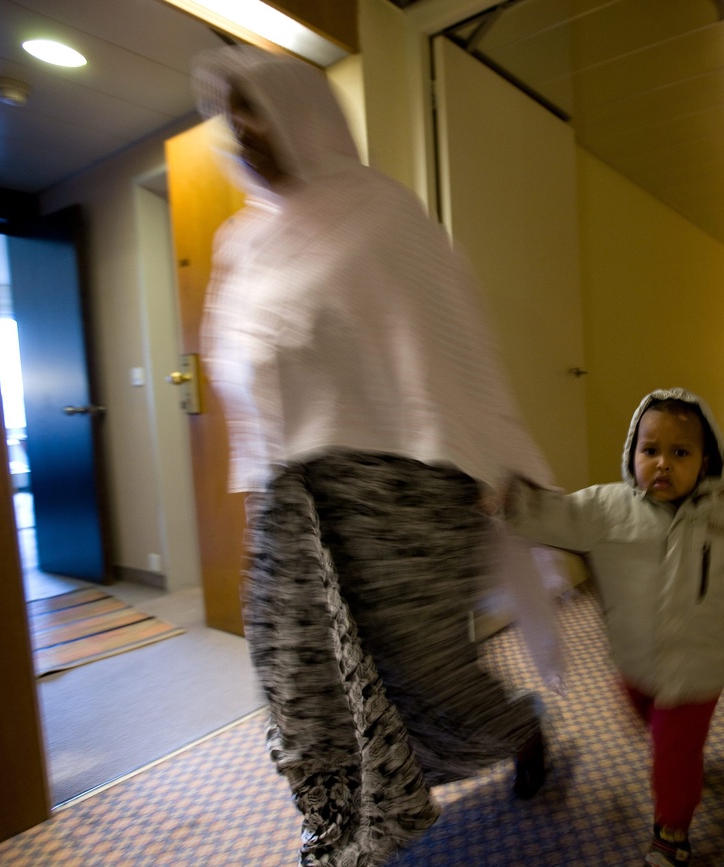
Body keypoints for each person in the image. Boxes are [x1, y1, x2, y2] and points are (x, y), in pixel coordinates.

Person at [192, 45, 555, 867]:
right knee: (299, 679)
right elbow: (246, 375)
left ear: (303, 111)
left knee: (425, 672)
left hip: (402, 492)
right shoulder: (241, 245)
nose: (240, 127)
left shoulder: (384, 217)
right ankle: (346, 831)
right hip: (290, 502)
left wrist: (494, 462)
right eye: (230, 108)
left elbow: (456, 351)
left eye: (255, 104)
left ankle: (520, 729)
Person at [504, 388, 724, 867]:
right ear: (632, 454)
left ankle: (672, 832)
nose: (662, 463)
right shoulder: (607, 510)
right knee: (652, 725)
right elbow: (555, 515)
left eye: (680, 453)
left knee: (671, 753)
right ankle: (689, 765)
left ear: (705, 464)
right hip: (634, 658)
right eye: (650, 450)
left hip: (698, 666)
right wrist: (509, 503)